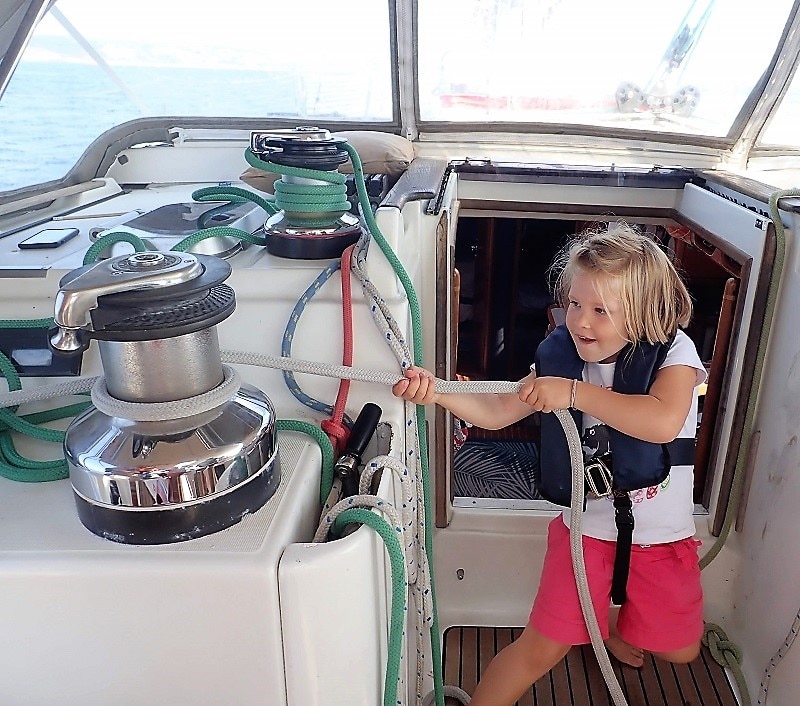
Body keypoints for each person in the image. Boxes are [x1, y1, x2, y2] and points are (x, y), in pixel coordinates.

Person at [392, 223, 707, 705]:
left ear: (645, 312)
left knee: (682, 651)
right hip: (585, 535)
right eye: (575, 304)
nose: (580, 321)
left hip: (661, 540)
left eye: (601, 311)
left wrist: (576, 394)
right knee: (540, 650)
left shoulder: (675, 354)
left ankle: (606, 623)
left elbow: (663, 421)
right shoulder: (562, 360)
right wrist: (437, 392)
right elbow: (498, 410)